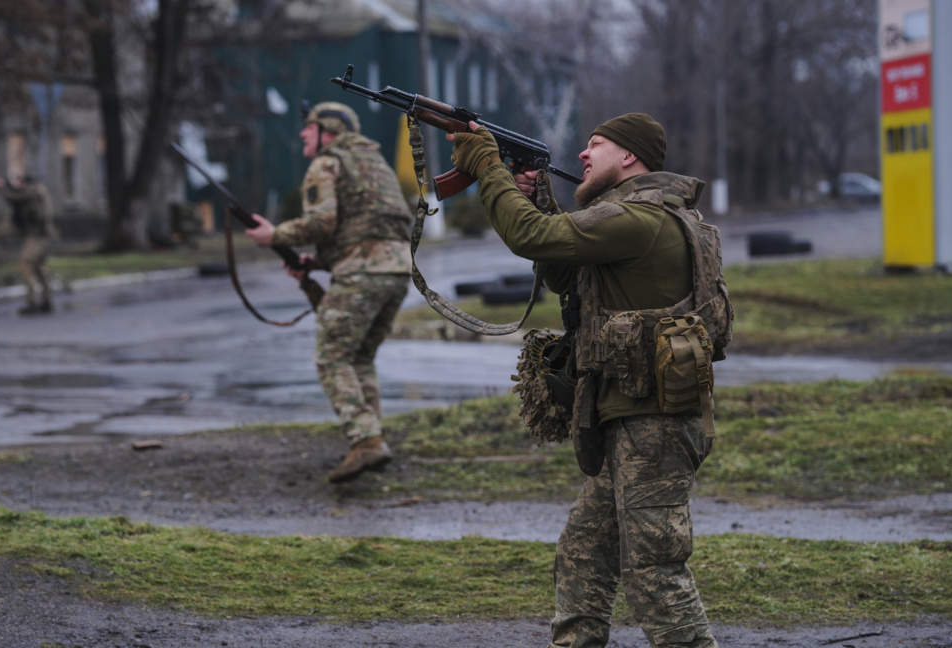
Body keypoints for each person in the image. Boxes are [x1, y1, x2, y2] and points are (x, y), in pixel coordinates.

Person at [447, 113, 731, 648]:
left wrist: (488, 165)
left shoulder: (637, 218)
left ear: (628, 156)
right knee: (583, 552)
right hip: (636, 419)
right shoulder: (637, 217)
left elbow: (529, 236)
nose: (582, 153)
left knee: (655, 575)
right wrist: (536, 199)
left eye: (596, 144)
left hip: (653, 428)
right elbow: (561, 267)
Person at [243, 101, 413, 483]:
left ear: (328, 132)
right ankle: (372, 437)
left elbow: (321, 223)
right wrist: (316, 264)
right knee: (359, 356)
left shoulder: (328, 162)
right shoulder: (373, 163)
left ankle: (366, 440)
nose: (303, 133)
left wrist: (275, 235)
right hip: (398, 271)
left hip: (363, 272)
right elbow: (369, 227)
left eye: (310, 127)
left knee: (332, 357)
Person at [0, 174, 56, 315]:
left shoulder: (32, 191)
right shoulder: (38, 191)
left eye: (19, 182)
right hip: (42, 236)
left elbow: (14, 198)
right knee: (39, 267)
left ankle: (33, 302)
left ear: (25, 183)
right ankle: (47, 301)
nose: (17, 185)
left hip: (36, 236)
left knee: (25, 264)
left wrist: (1, 187)